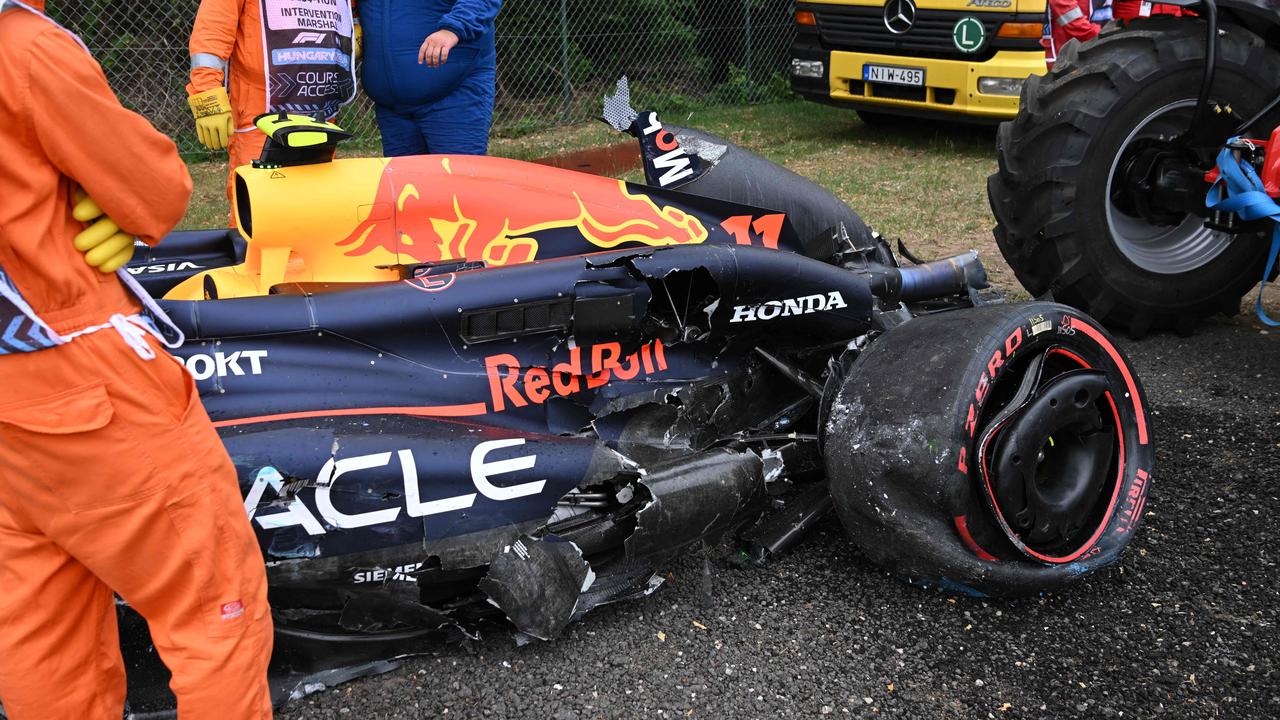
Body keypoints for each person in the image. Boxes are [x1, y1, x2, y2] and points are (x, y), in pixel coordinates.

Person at [0, 1, 273, 717]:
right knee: (215, 607)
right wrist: (103, 199)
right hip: (79, 370)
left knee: (42, 629)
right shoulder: (22, 47)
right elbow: (154, 191)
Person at [186, 0, 360, 216]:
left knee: (316, 210)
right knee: (260, 213)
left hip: (321, 115)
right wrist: (206, 91)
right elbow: (212, 30)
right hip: (261, 121)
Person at [358, 0, 502, 156]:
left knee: (455, 177)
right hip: (391, 108)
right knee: (405, 179)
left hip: (454, 96)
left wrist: (453, 28)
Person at [1042, 0, 1106, 68]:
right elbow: (1076, 25)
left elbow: (1118, 12)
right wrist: (1104, 37)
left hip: (1100, 49)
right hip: (1066, 57)